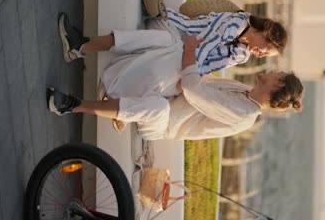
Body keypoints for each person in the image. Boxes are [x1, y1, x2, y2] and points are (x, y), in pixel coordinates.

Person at [49, 18, 304, 140]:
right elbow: (198, 85)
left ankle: (72, 105)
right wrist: (190, 66)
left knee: (158, 106)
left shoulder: (244, 113)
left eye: (278, 74)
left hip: (164, 122)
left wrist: (191, 50)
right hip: (173, 91)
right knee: (168, 40)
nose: (272, 69)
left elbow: (194, 88)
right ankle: (81, 46)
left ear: (278, 84)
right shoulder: (244, 92)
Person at [58, 8, 287, 76]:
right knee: (161, 40)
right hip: (173, 28)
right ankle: (80, 46)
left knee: (165, 54)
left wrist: (189, 71)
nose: (261, 54)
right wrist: (190, 62)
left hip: (182, 53)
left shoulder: (241, 54)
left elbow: (208, 67)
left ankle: (81, 48)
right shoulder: (237, 22)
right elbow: (205, 46)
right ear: (266, 33)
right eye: (266, 51)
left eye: (266, 57)